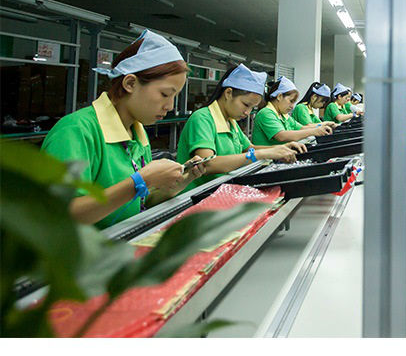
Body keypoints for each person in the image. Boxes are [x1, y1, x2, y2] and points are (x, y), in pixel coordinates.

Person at [42, 30, 207, 228]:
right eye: (165, 94)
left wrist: (179, 183)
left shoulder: (136, 133)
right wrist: (140, 181)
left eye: (175, 96)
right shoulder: (76, 131)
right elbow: (62, 214)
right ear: (130, 83)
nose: (170, 106)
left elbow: (140, 202)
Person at [176, 63, 302, 191]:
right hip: (196, 194)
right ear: (228, 93)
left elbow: (249, 149)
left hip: (222, 188)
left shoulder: (231, 121)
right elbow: (207, 164)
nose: (248, 112)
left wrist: (280, 149)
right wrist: (261, 154)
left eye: (252, 108)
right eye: (246, 104)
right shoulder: (202, 118)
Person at [253, 77, 335, 145]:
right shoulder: (266, 113)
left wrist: (324, 125)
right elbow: (282, 136)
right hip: (267, 159)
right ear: (279, 96)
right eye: (291, 101)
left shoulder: (284, 116)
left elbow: (302, 128)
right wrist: (314, 131)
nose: (292, 106)